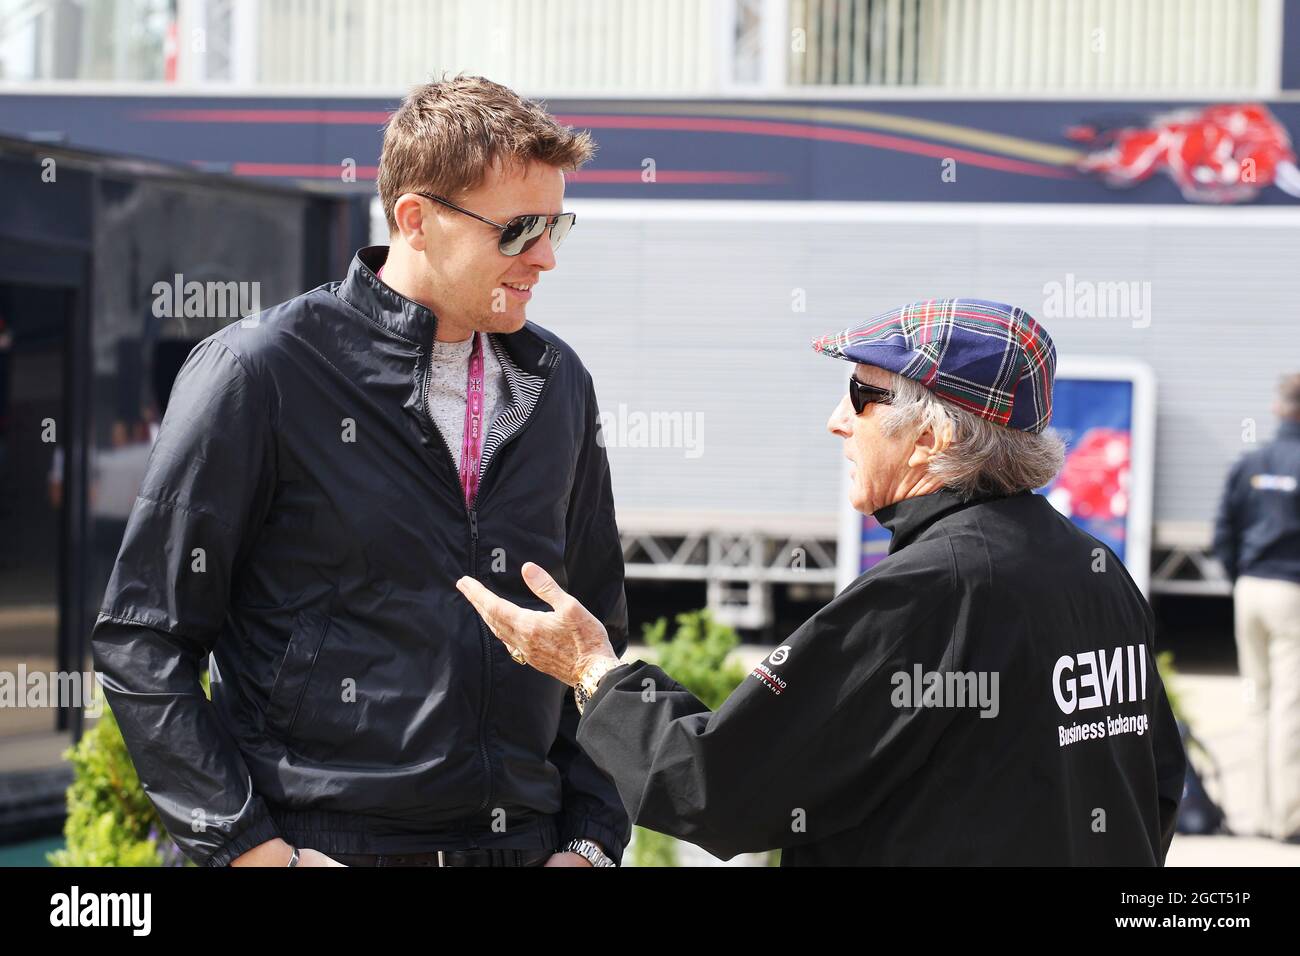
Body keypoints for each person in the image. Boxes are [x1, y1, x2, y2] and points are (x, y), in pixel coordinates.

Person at [91, 75, 630, 868]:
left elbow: (596, 635)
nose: (545, 257)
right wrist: (256, 854)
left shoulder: (558, 382)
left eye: (557, 225)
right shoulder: (260, 373)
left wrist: (589, 843)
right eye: (518, 230)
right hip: (319, 844)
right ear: (416, 219)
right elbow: (143, 639)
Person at [459, 298, 1188, 865]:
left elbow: (721, 788)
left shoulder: (929, 591)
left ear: (932, 436)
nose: (838, 419)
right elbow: (1152, 789)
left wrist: (590, 670)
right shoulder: (1094, 571)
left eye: (862, 394)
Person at [1212, 372, 1300, 843]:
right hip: (1292, 594)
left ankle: (1255, 814)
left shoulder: (1250, 463)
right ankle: (1288, 821)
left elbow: (1222, 533)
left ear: (1277, 409)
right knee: (1291, 707)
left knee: (1256, 701)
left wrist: (1238, 577)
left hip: (1250, 590)